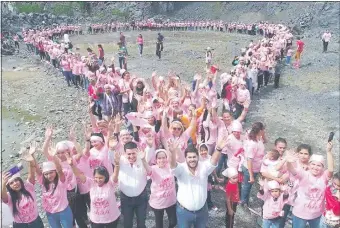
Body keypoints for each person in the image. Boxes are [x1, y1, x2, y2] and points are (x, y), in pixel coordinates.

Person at [170, 135, 227, 228]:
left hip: (202, 211)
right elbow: (173, 166)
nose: (192, 159)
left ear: (198, 157)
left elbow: (213, 161)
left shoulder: (203, 167)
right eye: (189, 157)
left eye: (194, 157)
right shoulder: (181, 169)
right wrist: (172, 153)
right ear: (186, 158)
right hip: (184, 212)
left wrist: (219, 149)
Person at [286, 141, 334, 228]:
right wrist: (288, 162)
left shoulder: (324, 176)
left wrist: (329, 152)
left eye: (319, 165)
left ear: (323, 167)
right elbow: (293, 171)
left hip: (317, 214)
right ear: (309, 164)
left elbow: (331, 169)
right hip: (300, 213)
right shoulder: (304, 174)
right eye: (313, 164)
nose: (315, 167)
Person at [67, 153, 121, 228]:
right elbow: (78, 174)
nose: (98, 180)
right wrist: (72, 165)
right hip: (96, 219)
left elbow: (115, 174)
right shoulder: (91, 183)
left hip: (111, 218)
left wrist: (117, 165)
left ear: (106, 177)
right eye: (96, 177)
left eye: (101, 178)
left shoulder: (110, 183)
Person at [1, 145, 44, 228]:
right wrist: (3, 183)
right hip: (20, 225)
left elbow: (31, 174)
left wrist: (31, 162)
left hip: (35, 223)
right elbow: (3, 197)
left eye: (16, 180)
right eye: (11, 183)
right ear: (9, 186)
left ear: (20, 180)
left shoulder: (28, 187)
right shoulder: (9, 197)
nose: (15, 183)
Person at [141, 149, 177, 228]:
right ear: (156, 160)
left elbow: (175, 161)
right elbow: (148, 169)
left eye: (163, 157)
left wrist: (173, 151)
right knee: (159, 225)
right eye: (159, 158)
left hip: (170, 202)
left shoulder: (170, 167)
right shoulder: (153, 169)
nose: (162, 160)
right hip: (158, 203)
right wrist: (143, 159)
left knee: (173, 221)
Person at [118, 141, 148, 228]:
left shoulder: (142, 159)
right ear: (124, 153)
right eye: (129, 154)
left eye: (133, 153)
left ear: (137, 152)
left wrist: (149, 147)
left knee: (141, 223)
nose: (131, 156)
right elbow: (111, 155)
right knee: (127, 223)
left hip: (141, 197)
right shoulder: (120, 161)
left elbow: (151, 152)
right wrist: (112, 148)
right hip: (126, 198)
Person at [240, 122, 267, 207]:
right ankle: (243, 202)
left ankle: (245, 201)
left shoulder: (259, 138)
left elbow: (265, 141)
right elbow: (249, 160)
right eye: (263, 130)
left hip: (256, 167)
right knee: (247, 187)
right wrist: (251, 175)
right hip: (250, 169)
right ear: (260, 130)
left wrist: (263, 134)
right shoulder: (253, 144)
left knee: (249, 186)